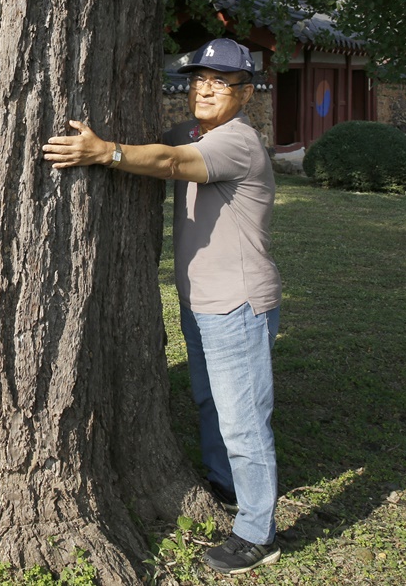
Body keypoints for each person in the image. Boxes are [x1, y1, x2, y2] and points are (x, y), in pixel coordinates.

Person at [41, 38, 282, 576]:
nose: (207, 88)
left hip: (237, 304)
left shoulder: (235, 142)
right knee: (210, 404)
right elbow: (171, 144)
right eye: (200, 78)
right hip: (204, 302)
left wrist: (105, 152)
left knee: (243, 420)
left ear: (246, 92)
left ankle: (257, 531)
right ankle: (223, 484)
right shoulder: (199, 133)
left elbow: (171, 162)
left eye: (222, 81)